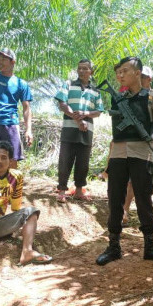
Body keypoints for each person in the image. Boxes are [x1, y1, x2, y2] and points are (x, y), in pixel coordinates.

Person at [95, 57, 153, 266]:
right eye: (118, 72)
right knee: (115, 197)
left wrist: (148, 144)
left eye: (125, 71)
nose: (120, 75)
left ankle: (150, 246)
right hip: (118, 153)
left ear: (138, 73)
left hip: (141, 152)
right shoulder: (117, 98)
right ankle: (114, 246)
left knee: (144, 199)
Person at [124, 66, 153, 223]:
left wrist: (152, 142)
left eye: (143, 77)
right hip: (134, 146)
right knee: (131, 180)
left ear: (149, 79)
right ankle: (125, 212)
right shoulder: (129, 97)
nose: (140, 79)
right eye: (138, 76)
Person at [54, 59, 104, 202]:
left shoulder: (95, 91)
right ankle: (62, 191)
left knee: (83, 163)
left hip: (87, 132)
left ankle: (79, 191)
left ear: (91, 72)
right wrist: (77, 119)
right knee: (65, 160)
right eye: (79, 68)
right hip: (69, 130)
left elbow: (99, 111)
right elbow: (62, 104)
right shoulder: (68, 85)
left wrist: (86, 114)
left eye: (85, 68)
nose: (81, 71)